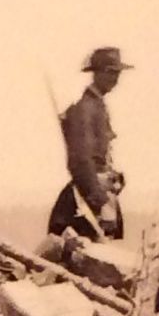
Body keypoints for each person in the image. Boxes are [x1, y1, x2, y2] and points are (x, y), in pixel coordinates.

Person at [47, 47, 128, 241]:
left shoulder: (97, 106)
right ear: (96, 73)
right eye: (110, 72)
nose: (115, 78)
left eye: (117, 73)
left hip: (98, 195)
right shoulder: (84, 109)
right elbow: (80, 161)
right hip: (84, 203)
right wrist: (100, 202)